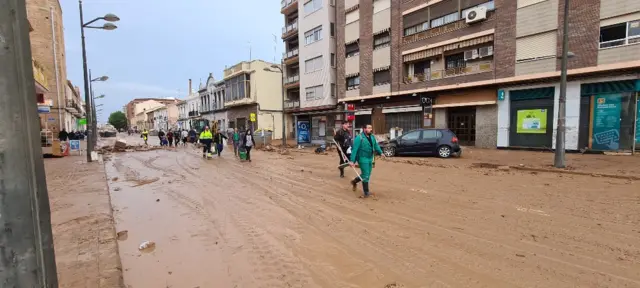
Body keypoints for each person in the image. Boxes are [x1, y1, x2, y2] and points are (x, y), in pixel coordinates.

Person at [349, 124, 384, 198]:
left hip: (370, 158)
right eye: (369, 128)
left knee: (367, 174)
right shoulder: (359, 138)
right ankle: (366, 192)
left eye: (371, 128)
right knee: (366, 175)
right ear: (364, 129)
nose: (370, 129)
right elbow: (354, 150)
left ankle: (354, 181)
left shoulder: (372, 137)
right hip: (362, 158)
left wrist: (381, 152)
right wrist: (352, 161)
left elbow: (376, 145)